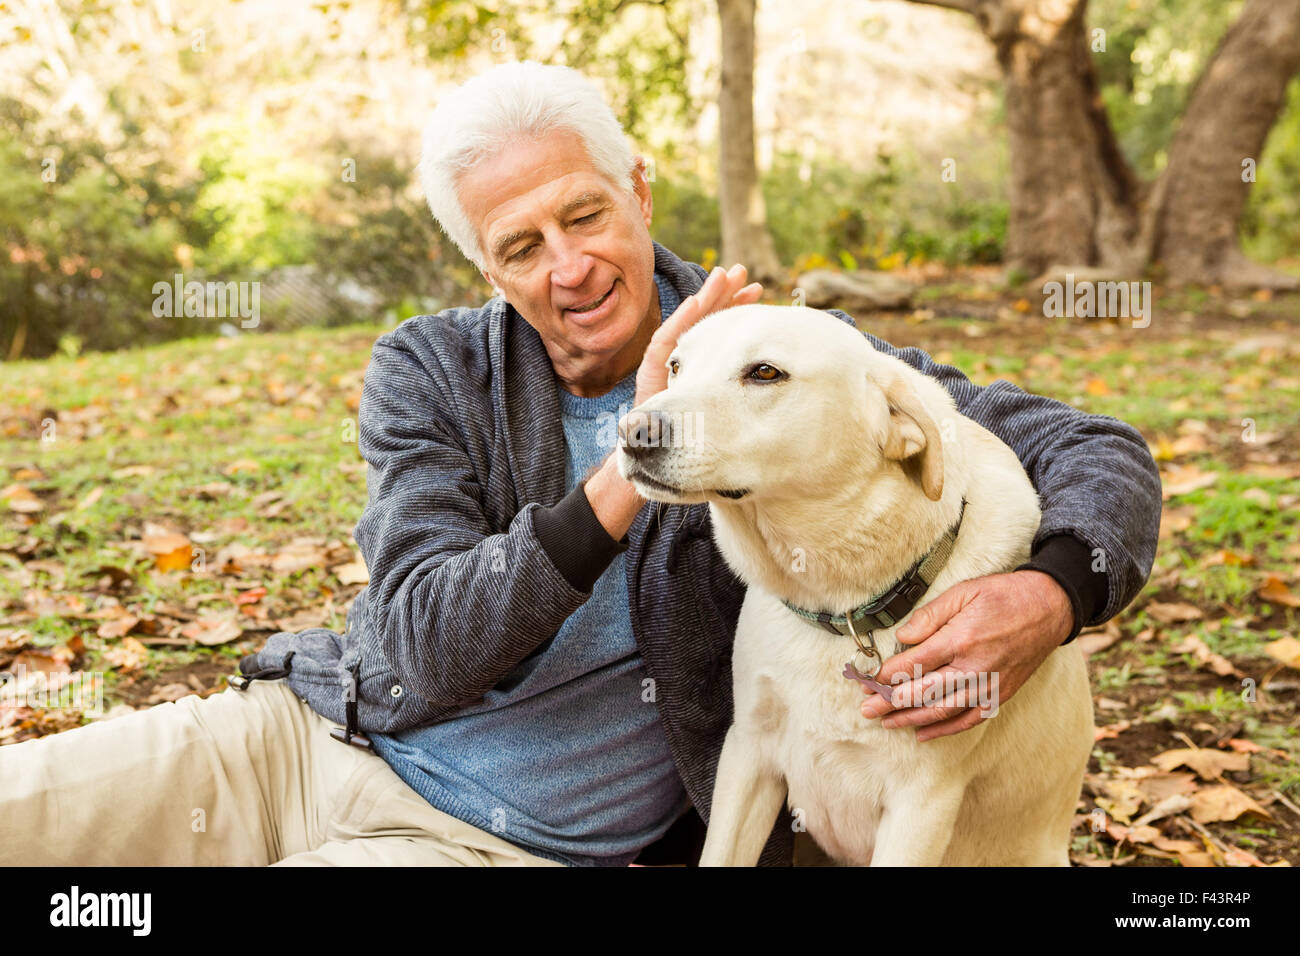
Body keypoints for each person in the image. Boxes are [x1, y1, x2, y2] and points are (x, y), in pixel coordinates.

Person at [0, 60, 1161, 867]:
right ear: (486, 268)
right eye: (520, 246)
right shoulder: (432, 369)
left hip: (483, 839)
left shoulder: (785, 370)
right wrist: (630, 466)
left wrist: (1051, 590)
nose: (569, 267)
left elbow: (1089, 444)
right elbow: (419, 639)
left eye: (586, 215)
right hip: (302, 736)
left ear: (640, 191)